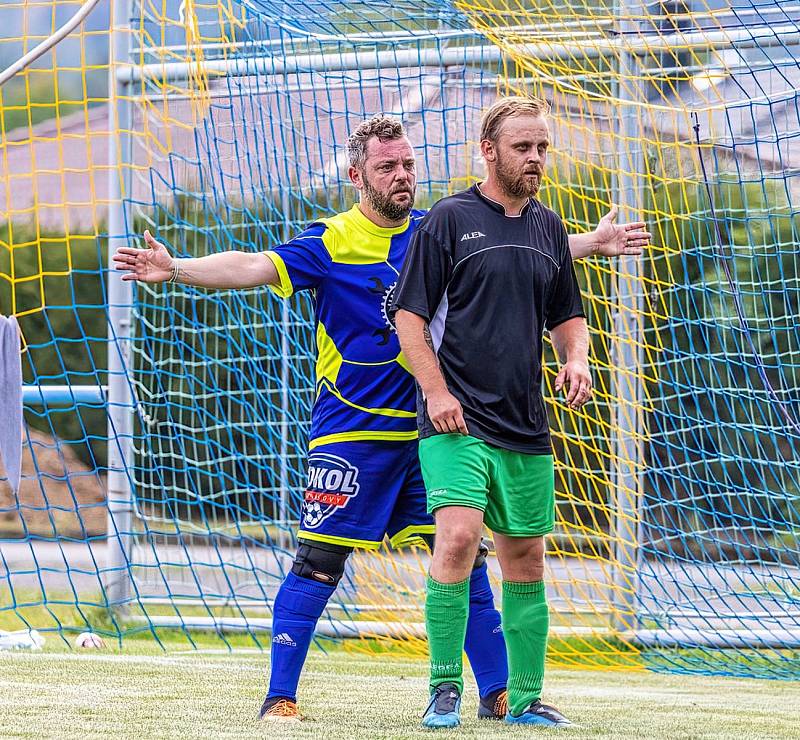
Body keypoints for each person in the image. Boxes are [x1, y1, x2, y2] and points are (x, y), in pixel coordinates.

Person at [112, 113, 649, 724]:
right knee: (319, 560)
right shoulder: (331, 241)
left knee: (465, 552)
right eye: (386, 166)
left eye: (408, 165)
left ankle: (498, 693)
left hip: (438, 428)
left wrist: (590, 243)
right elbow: (252, 266)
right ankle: (279, 697)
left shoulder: (436, 229)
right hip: (353, 430)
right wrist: (177, 267)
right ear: (356, 174)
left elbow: (513, 249)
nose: (402, 176)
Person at [394, 96, 597, 729]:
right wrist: (436, 392)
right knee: (456, 539)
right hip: (455, 420)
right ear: (489, 150)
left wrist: (576, 358)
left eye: (542, 149)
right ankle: (444, 689)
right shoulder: (448, 221)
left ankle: (526, 699)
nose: (535, 159)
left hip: (526, 426)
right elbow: (408, 322)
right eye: (522, 148)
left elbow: (568, 316)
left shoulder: (549, 229)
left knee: (527, 560)